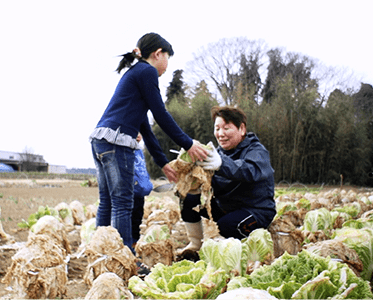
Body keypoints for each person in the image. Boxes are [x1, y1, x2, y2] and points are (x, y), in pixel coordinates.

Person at [89, 33, 208, 252]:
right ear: (157, 54)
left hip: (100, 140)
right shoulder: (147, 71)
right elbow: (160, 114)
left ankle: (100, 253)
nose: (166, 67)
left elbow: (146, 127)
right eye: (167, 59)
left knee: (107, 202)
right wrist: (188, 143)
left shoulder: (135, 74)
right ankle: (125, 257)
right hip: (117, 142)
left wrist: (163, 163)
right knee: (123, 203)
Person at [179, 105, 276, 255]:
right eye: (217, 129)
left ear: (241, 129)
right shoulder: (217, 153)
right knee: (189, 199)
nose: (220, 134)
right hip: (226, 208)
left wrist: (222, 164)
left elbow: (248, 171)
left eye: (226, 128)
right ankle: (195, 244)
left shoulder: (256, 151)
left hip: (255, 211)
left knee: (228, 225)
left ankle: (248, 244)